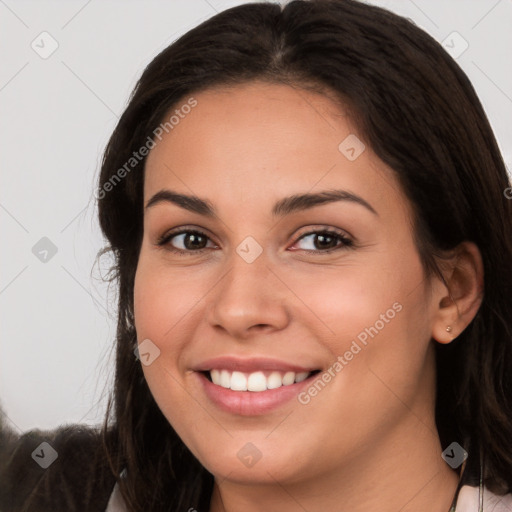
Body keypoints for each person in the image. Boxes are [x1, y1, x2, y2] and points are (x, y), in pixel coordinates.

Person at [2, 1, 512, 511]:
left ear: (453, 290)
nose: (239, 309)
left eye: (321, 239)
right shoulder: (39, 490)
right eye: (191, 239)